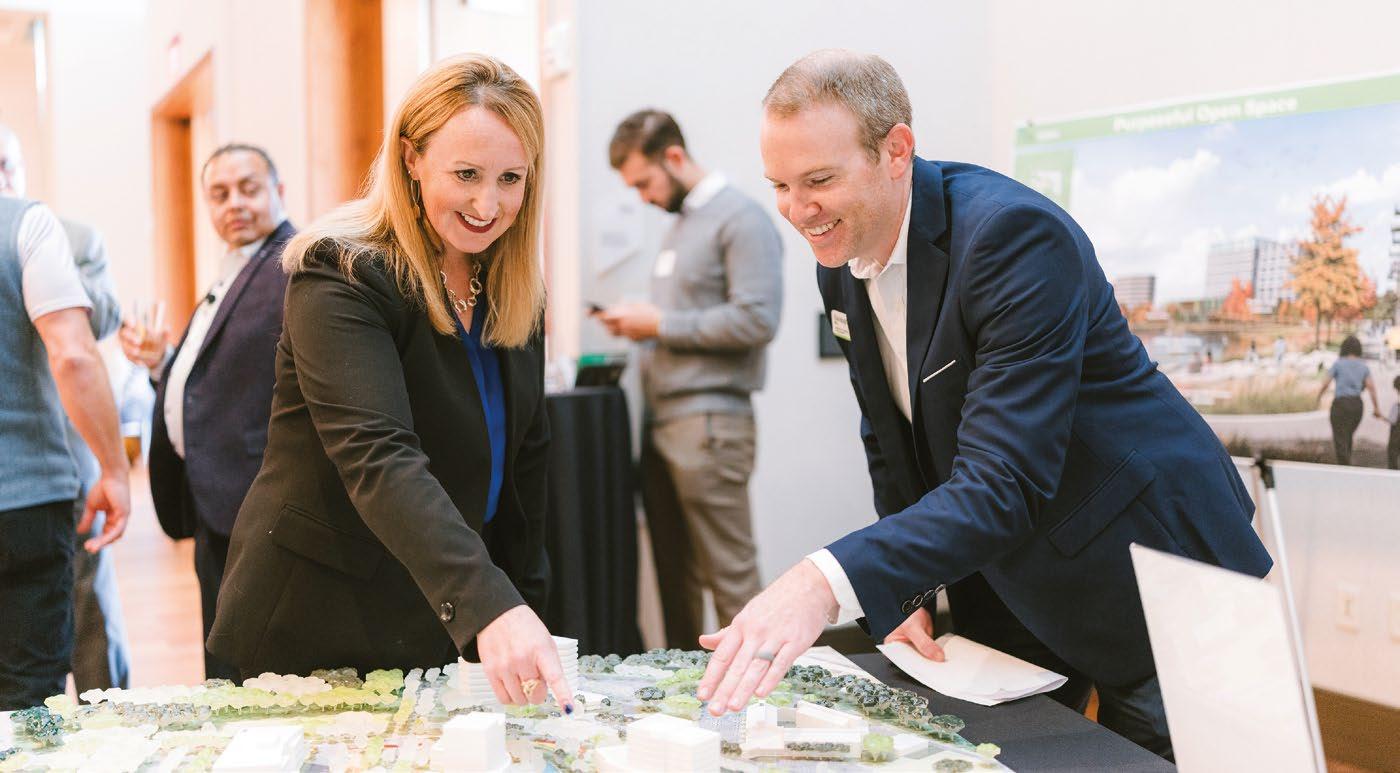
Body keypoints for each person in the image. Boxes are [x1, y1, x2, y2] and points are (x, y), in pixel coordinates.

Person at [694, 50, 1272, 760]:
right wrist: (903, 588)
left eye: (818, 180)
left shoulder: (1012, 237)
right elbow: (890, 434)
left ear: (896, 150)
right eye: (780, 185)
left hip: (1149, 567)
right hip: (1010, 574)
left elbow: (1004, 480)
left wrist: (822, 583)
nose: (797, 210)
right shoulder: (841, 259)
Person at [207, 54, 570, 710]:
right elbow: (379, 456)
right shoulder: (340, 272)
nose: (488, 204)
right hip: (317, 619)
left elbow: (524, 470)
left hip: (440, 612)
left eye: (510, 178)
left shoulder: (514, 290)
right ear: (411, 159)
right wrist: (491, 605)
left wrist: (525, 605)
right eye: (466, 174)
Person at [596, 110, 783, 648]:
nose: (644, 198)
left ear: (674, 157)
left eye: (645, 183)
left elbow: (757, 319)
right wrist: (643, 324)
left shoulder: (741, 219)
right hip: (666, 422)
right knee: (675, 580)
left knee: (730, 576)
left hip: (709, 426)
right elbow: (687, 320)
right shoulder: (681, 225)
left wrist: (659, 324)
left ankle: (756, 688)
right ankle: (690, 690)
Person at [118, 143, 295, 681]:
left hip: (259, 499)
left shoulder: (295, 266)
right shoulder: (233, 270)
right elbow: (215, 379)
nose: (233, 203)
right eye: (219, 194)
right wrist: (163, 364)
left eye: (248, 188)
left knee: (255, 668)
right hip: (215, 499)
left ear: (278, 192)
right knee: (223, 660)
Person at [1, 123, 131, 693]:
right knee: (29, 688)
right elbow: (74, 353)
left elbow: (103, 317)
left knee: (89, 604)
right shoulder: (28, 225)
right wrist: (116, 468)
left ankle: (107, 704)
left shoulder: (69, 233)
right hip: (26, 493)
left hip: (48, 473)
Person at [1316, 335, 1381, 465]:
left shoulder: (1338, 363)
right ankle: (1347, 464)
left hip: (1341, 404)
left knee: (1340, 438)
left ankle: (1345, 466)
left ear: (1344, 348)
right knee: (1347, 436)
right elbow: (1371, 388)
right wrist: (1376, 408)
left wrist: (1318, 397)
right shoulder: (1363, 366)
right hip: (1357, 405)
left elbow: (1326, 383)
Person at [1386, 375, 1400, 470]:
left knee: (1393, 454)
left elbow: (1392, 420)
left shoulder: (1396, 406)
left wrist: (1380, 416)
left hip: (1396, 436)